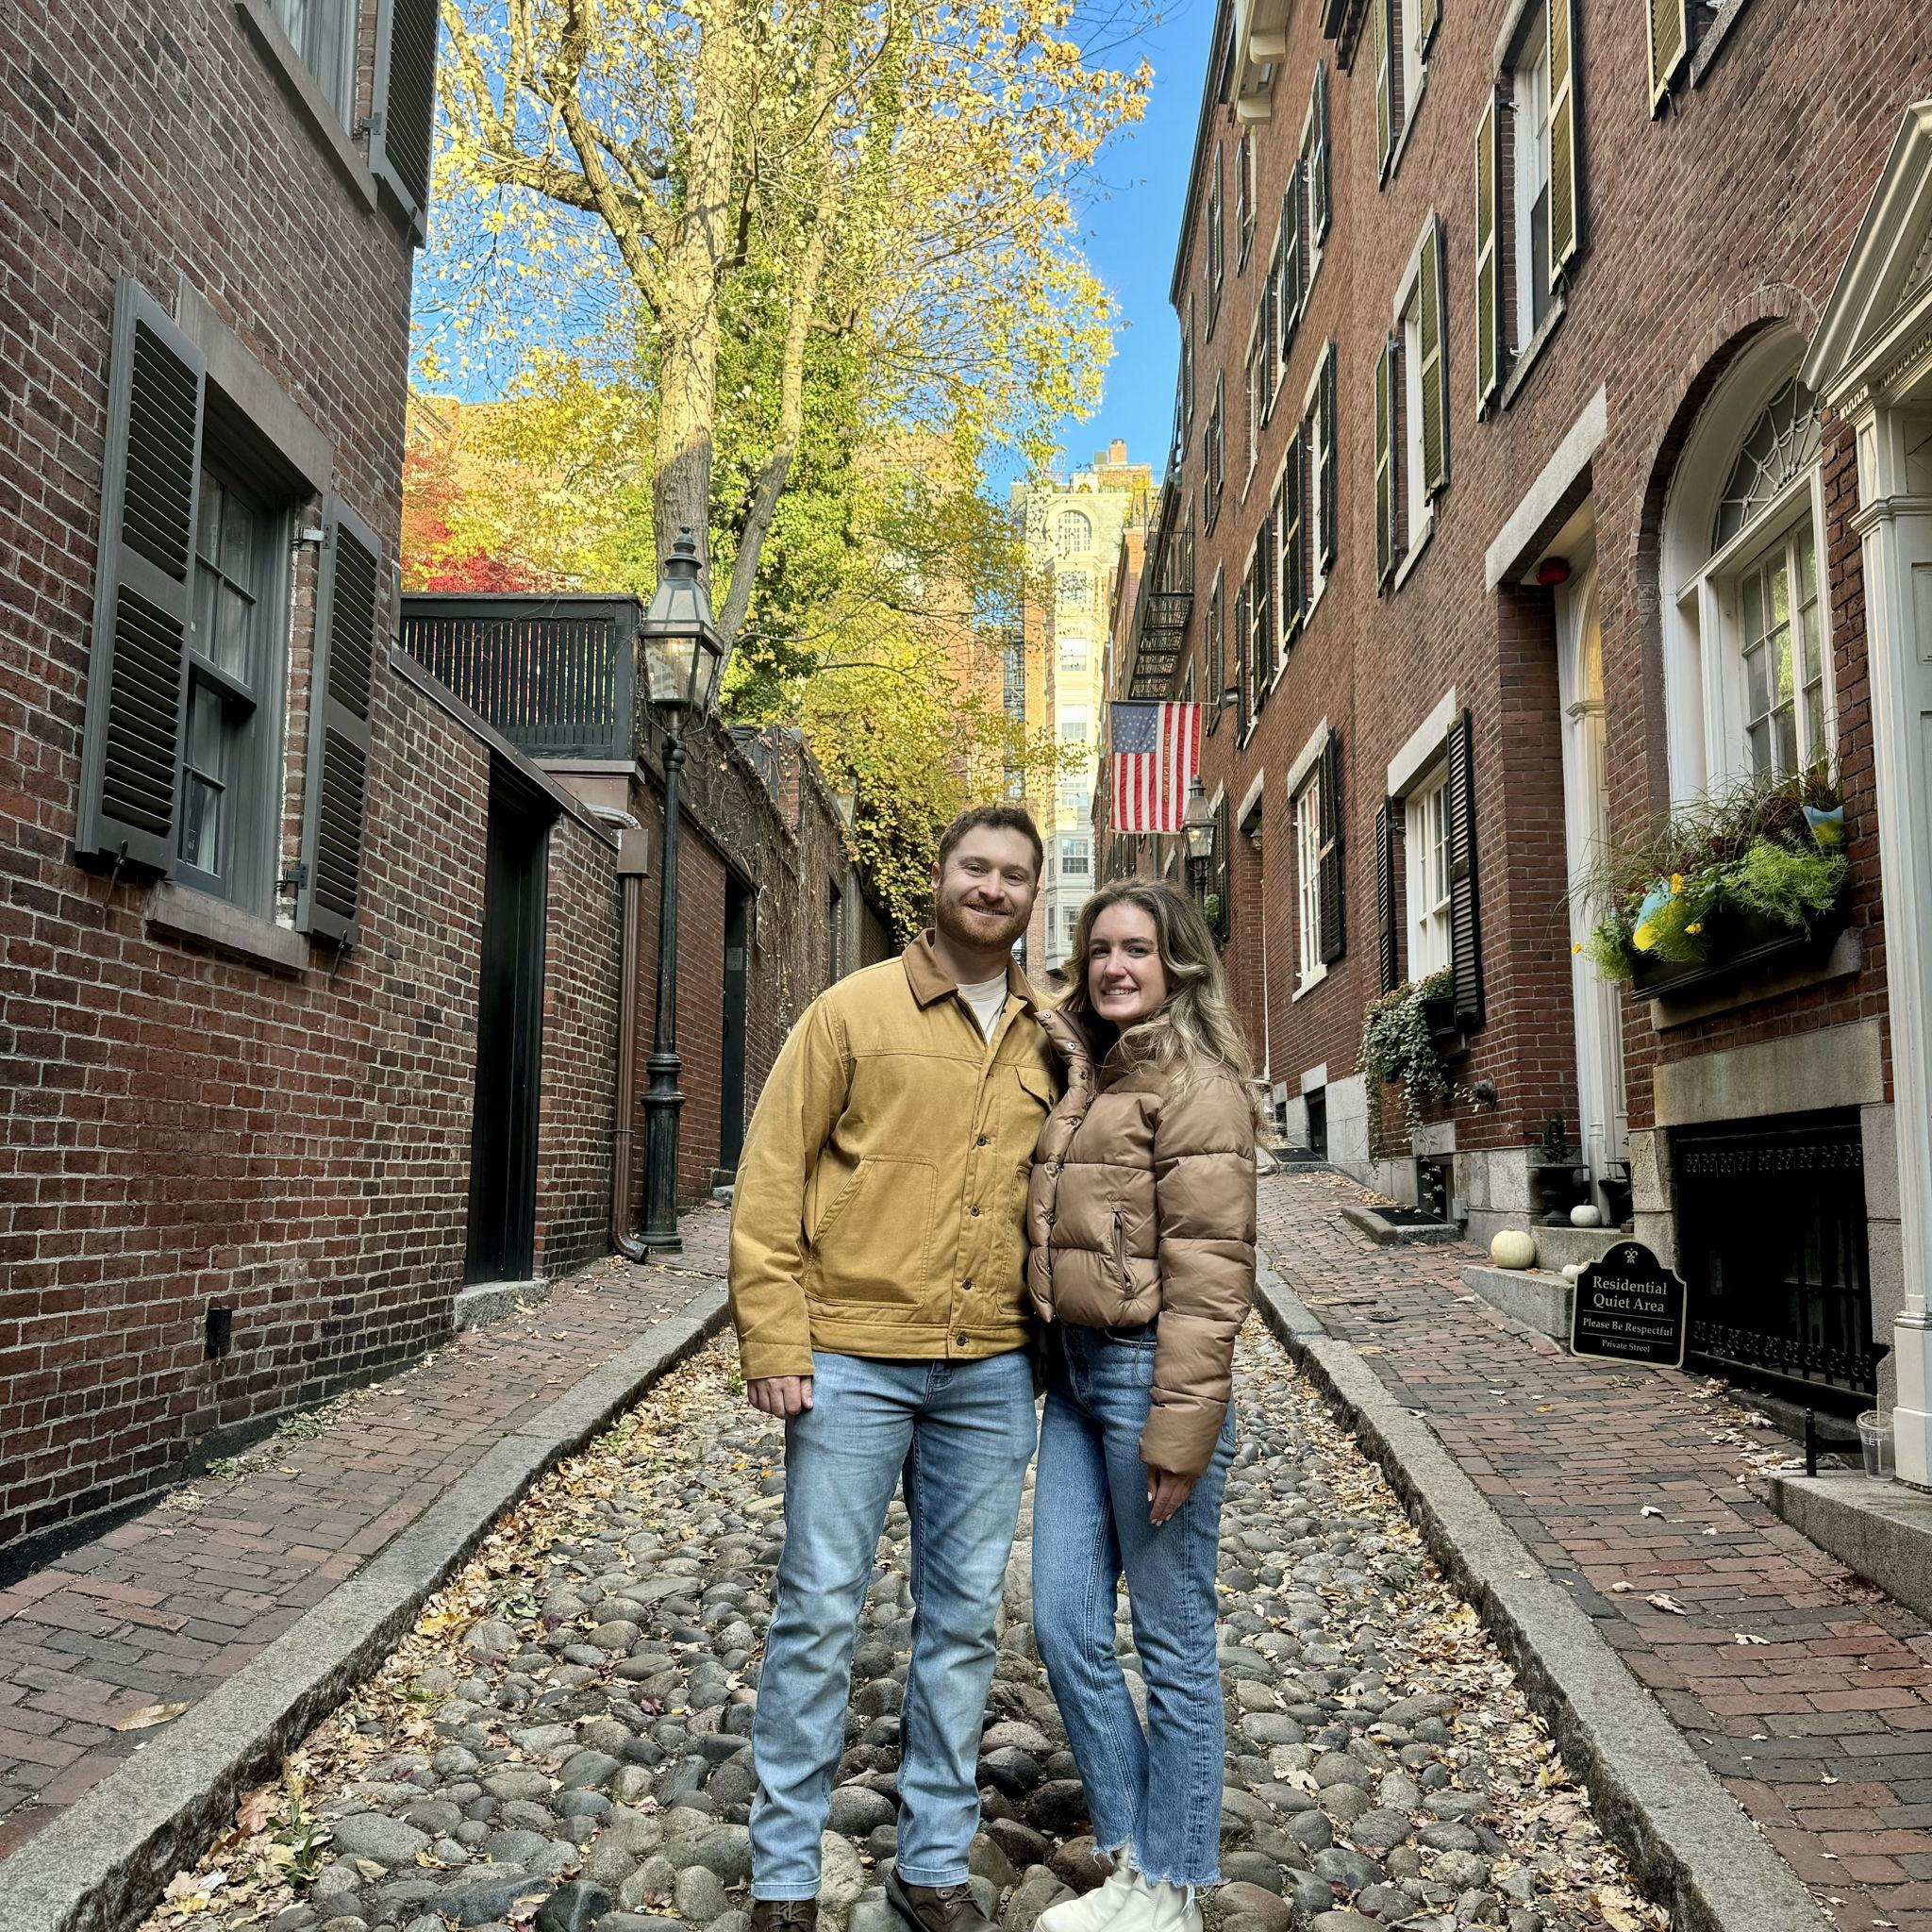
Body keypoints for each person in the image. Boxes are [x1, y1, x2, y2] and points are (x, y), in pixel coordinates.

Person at [728, 805, 1058, 1932]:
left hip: (989, 1368)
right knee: (817, 1609)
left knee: (963, 1621)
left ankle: (928, 1865)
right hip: (851, 1359)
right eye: (975, 865)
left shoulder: (1050, 1035)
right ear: (937, 876)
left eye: (1015, 874)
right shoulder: (849, 1011)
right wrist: (773, 1339)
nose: (993, 886)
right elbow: (769, 1182)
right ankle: (781, 1879)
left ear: (1031, 897)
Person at [1024, 879, 1258, 1932]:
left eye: (1139, 949)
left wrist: (1179, 1426)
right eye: (1100, 947)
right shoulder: (1085, 1073)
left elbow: (1210, 1272)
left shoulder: (1196, 1085)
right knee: (1064, 1617)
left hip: (1141, 1379)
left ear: (1178, 964)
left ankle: (1171, 1880)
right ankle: (1135, 1852)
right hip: (1074, 1380)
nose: (1115, 965)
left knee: (1169, 1640)